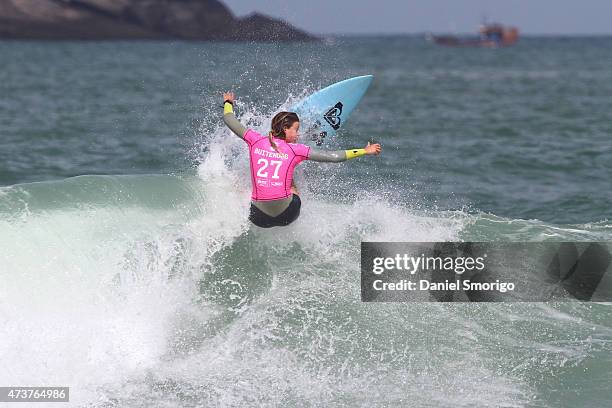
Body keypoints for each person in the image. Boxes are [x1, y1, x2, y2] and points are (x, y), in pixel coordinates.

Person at [222, 92, 382, 228]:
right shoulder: (296, 149)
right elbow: (334, 157)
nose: (298, 134)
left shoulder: (254, 140)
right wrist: (364, 150)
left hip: (257, 219)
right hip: (287, 216)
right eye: (296, 130)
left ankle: (244, 194)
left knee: (243, 184)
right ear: (285, 129)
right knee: (290, 180)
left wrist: (228, 102)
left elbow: (229, 119)